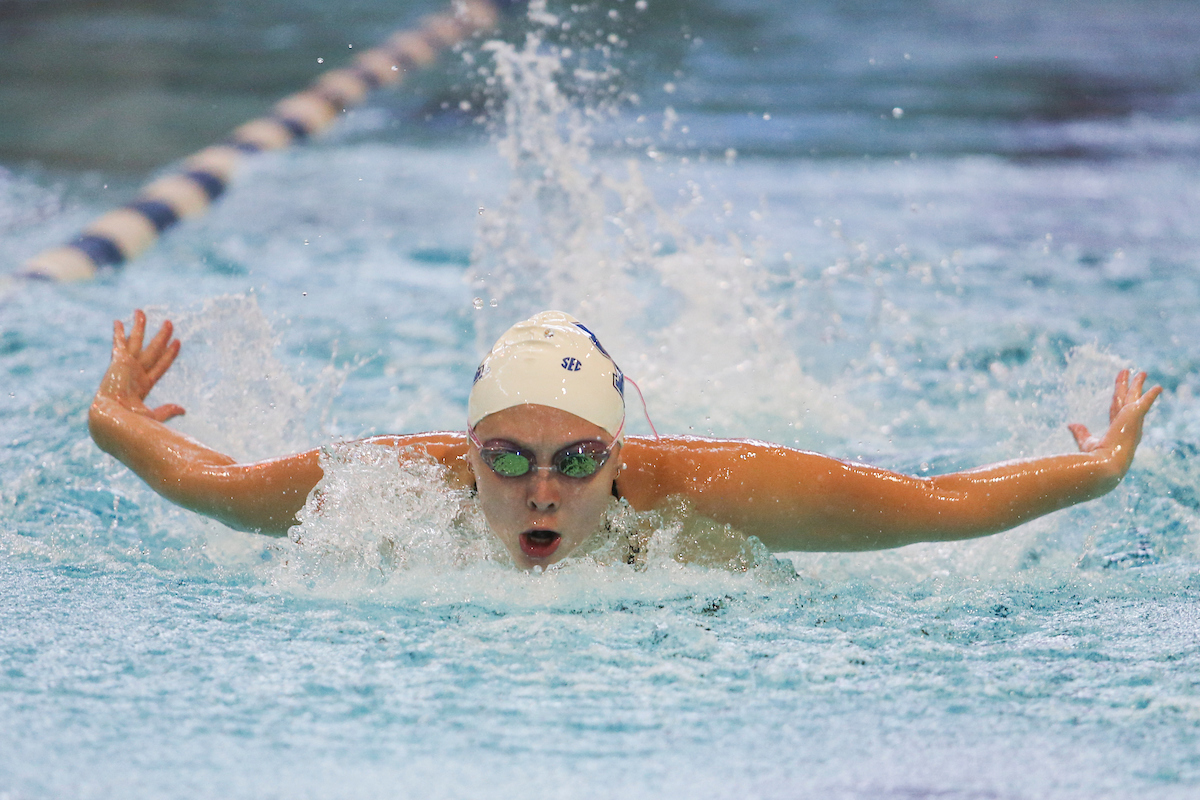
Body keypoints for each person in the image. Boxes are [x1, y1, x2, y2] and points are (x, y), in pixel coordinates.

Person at [89, 308, 1162, 570]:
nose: (541, 490)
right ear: (466, 452)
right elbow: (217, 487)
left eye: (576, 458)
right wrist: (116, 417)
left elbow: (936, 506)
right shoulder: (394, 483)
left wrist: (1098, 466)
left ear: (618, 453)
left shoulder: (711, 490)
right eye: (507, 457)